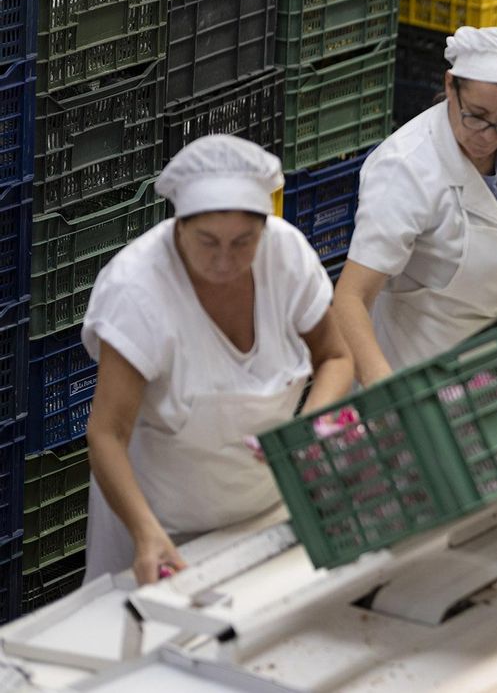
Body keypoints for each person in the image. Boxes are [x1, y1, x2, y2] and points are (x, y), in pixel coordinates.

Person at [83, 136, 354, 584]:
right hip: (162, 527)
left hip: (267, 511)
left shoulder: (286, 256)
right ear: (179, 226)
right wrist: (146, 534)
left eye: (243, 242)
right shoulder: (137, 290)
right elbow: (107, 434)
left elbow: (336, 357)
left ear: (264, 229)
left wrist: (307, 430)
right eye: (207, 242)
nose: (225, 261)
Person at [333, 27, 497, 385]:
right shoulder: (405, 168)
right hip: (416, 377)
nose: (489, 135)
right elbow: (351, 298)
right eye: (477, 115)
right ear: (450, 86)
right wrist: (389, 390)